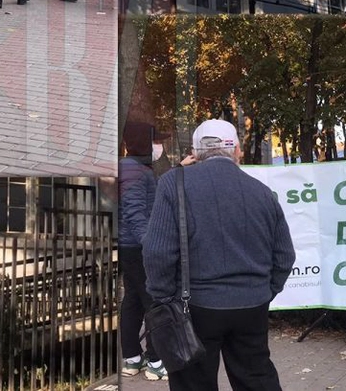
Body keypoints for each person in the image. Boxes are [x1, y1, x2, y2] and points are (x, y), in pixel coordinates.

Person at [143, 119, 295, 391]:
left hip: (195, 306)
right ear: (236, 150)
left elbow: (157, 252)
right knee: (256, 378)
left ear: (196, 152)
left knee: (194, 382)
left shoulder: (173, 184)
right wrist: (264, 290)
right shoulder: (261, 191)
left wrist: (164, 298)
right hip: (252, 305)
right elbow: (284, 256)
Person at [119, 122, 168, 381]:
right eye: (156, 142)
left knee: (134, 301)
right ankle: (156, 362)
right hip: (139, 247)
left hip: (130, 246)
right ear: (143, 144)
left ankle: (132, 359)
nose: (160, 147)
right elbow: (135, 211)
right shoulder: (136, 172)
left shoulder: (131, 168)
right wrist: (152, 244)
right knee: (153, 302)